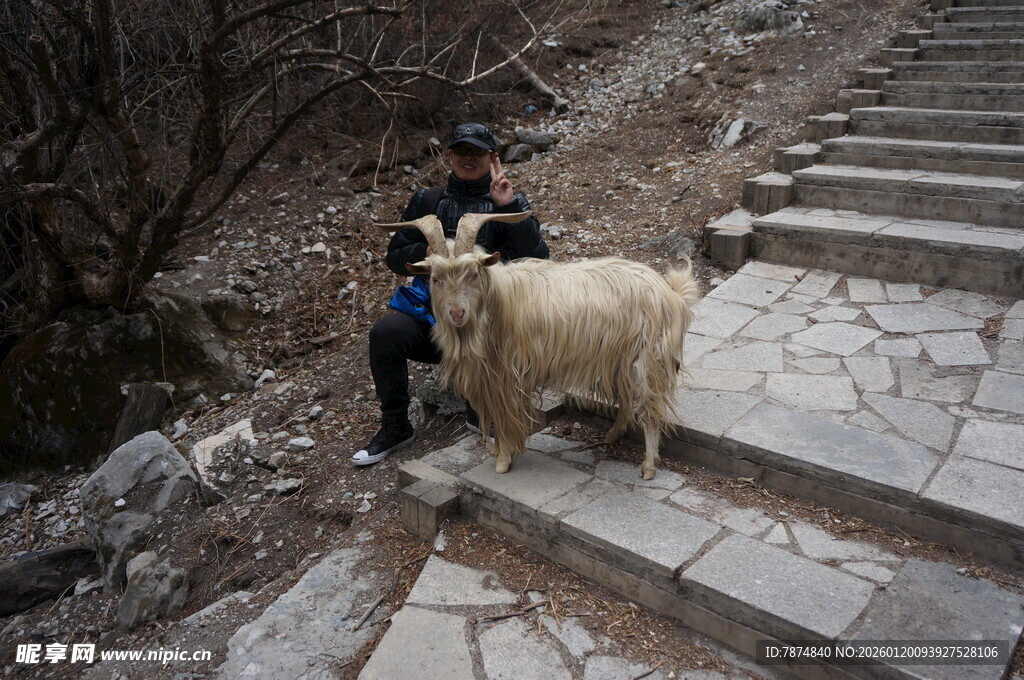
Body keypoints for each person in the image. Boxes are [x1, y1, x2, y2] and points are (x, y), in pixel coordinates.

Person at [351, 123, 549, 466]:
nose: (468, 158)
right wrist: (423, 249)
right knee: (385, 334)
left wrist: (507, 205)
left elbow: (538, 258)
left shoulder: (506, 202)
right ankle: (396, 426)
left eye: (477, 152)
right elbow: (394, 257)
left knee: (494, 331)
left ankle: (486, 410)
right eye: (461, 151)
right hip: (435, 323)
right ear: (449, 156)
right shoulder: (427, 201)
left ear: (492, 158)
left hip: (488, 326)